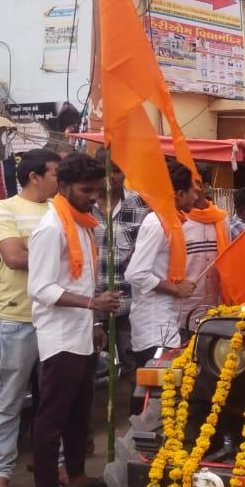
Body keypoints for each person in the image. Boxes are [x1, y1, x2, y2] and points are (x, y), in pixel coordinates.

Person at [27, 152, 121, 487]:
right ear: (63, 187)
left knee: (80, 413)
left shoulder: (82, 222)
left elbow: (82, 279)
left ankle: (78, 478)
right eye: (87, 190)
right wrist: (92, 304)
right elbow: (41, 288)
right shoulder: (51, 227)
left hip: (82, 331)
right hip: (60, 335)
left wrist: (95, 321)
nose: (94, 197)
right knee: (52, 417)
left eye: (98, 191)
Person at [0, 149, 61, 487]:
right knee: (9, 400)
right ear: (35, 177)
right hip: (17, 318)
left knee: (53, 401)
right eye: (56, 174)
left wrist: (33, 247)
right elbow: (12, 258)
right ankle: (0, 472)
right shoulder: (4, 208)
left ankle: (53, 464)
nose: (60, 181)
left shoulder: (58, 210)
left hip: (56, 318)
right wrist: (50, 253)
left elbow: (73, 258)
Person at [124, 162, 201, 366]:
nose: (196, 197)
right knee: (154, 390)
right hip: (153, 325)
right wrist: (176, 289)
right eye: (194, 191)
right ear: (180, 194)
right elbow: (135, 273)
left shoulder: (172, 222)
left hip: (165, 320)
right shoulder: (157, 222)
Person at [91, 150, 149, 372]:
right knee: (89, 370)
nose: (112, 177)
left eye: (117, 170)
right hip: (91, 305)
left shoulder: (140, 205)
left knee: (133, 368)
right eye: (107, 171)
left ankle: (131, 408)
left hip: (129, 305)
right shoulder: (84, 205)